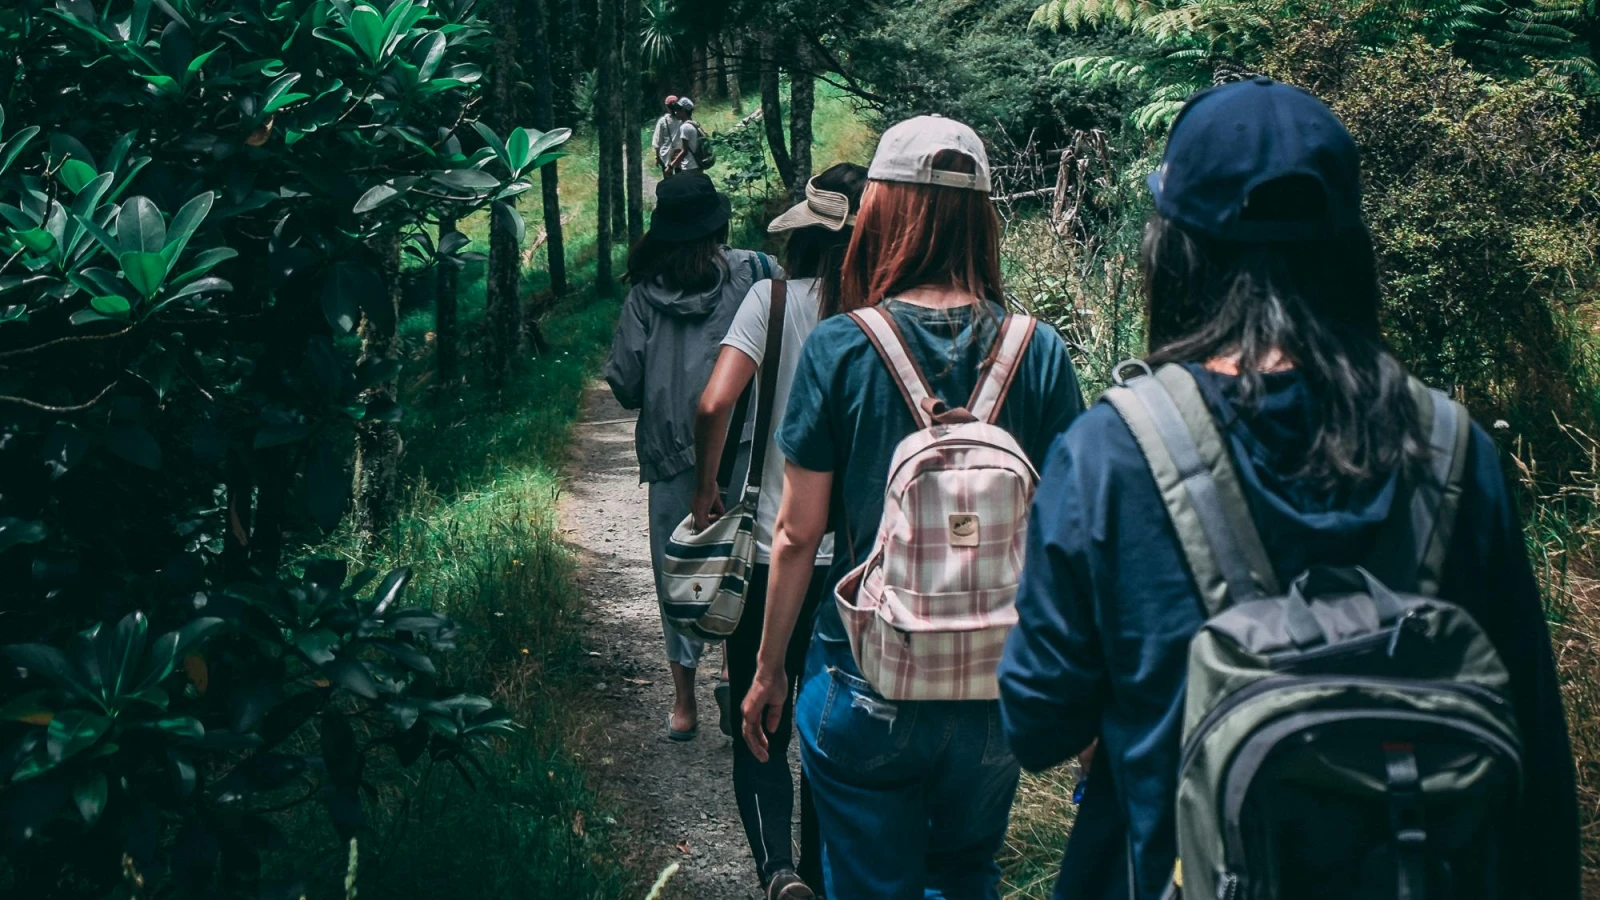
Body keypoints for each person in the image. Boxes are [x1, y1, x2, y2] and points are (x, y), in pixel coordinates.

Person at [997, 78, 1581, 900]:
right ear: (1350, 247)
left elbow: (1036, 720)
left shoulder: (1112, 453)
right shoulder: (1453, 451)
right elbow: (1540, 778)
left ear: (1175, 247)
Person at [740, 117, 1085, 899]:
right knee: (968, 873)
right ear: (984, 217)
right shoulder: (1040, 351)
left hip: (869, 679)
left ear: (883, 212)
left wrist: (767, 674)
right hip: (996, 688)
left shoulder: (842, 347)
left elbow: (796, 535)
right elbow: (1070, 536)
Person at [692, 163, 869, 900]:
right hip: (860, 561)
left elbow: (714, 403)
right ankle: (823, 873)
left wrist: (708, 489)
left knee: (758, 711)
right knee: (831, 723)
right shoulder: (883, 310)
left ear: (804, 237)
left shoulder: (770, 301)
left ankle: (777, 869)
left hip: (770, 548)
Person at [606, 173, 782, 742]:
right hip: (749, 444)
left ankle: (685, 704)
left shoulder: (643, 296)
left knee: (677, 571)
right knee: (747, 562)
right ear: (718, 224)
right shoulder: (757, 273)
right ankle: (735, 673)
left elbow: (626, 382)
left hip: (671, 453)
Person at [668, 97, 704, 176]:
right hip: (697, 165)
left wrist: (671, 165)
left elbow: (685, 151)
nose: (675, 111)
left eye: (678, 109)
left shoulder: (685, 127)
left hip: (689, 167)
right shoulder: (694, 124)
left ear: (683, 110)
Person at [652, 95, 680, 174]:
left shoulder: (663, 121)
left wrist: (657, 157)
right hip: (680, 155)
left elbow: (658, 141)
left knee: (668, 181)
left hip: (666, 155)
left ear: (666, 107)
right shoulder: (682, 118)